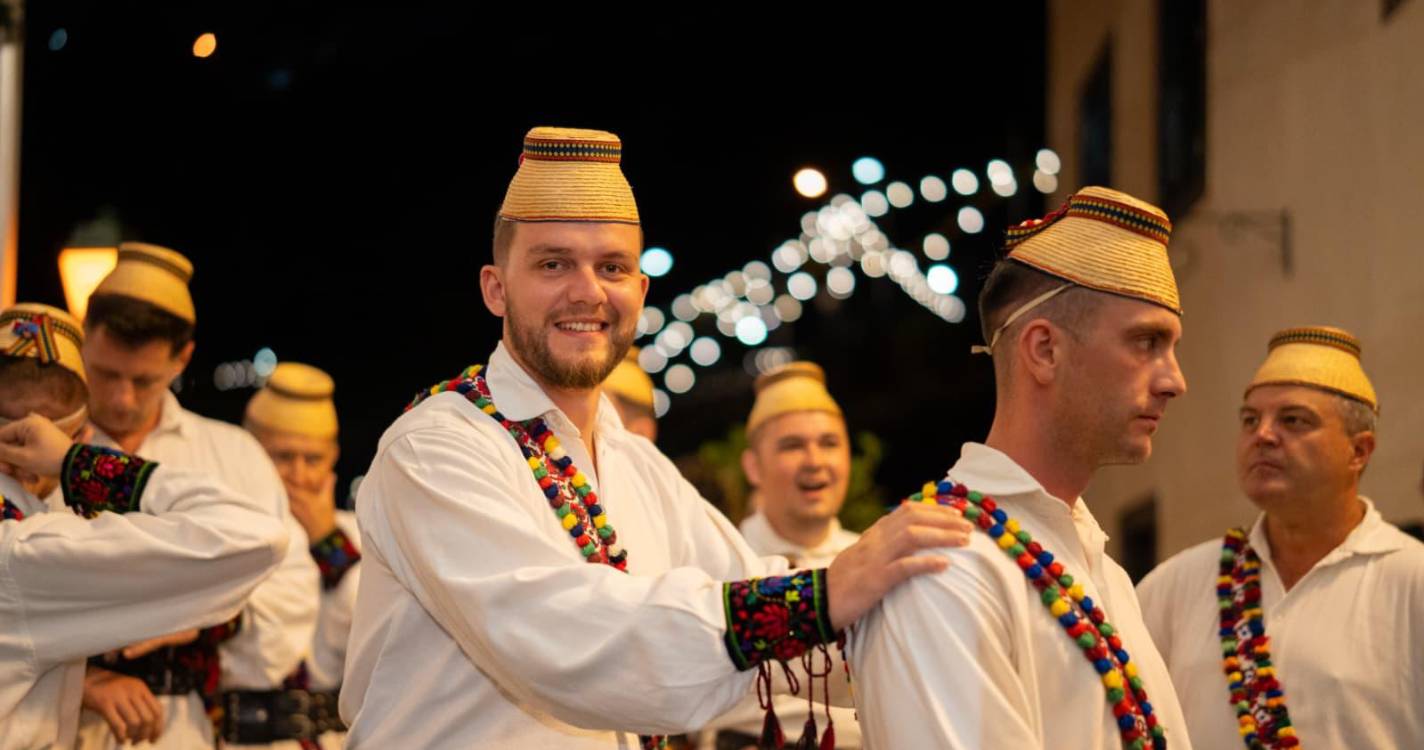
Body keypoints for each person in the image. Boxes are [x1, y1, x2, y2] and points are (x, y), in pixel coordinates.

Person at [339, 126, 972, 749]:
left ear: (639, 293)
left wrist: (957, 624)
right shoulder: (436, 448)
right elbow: (564, 636)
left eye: (611, 266)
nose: (587, 291)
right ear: (496, 288)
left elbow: (751, 589)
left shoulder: (637, 463)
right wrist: (826, 594)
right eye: (553, 263)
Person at [850, 187, 1192, 749]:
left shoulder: (1094, 563)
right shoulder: (943, 565)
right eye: (1146, 342)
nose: (1174, 380)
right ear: (1043, 350)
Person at [0, 302, 287, 750]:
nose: (121, 399)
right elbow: (256, 533)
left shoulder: (30, 537)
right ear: (74, 439)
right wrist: (79, 466)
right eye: (107, 376)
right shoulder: (28, 547)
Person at [74, 243, 319, 749]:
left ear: (182, 358)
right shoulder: (32, 452)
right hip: (59, 722)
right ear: (82, 340)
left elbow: (293, 584)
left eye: (143, 380)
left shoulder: (231, 456)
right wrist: (80, 680)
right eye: (105, 373)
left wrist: (217, 621)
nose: (122, 398)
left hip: (186, 728)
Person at [1137, 326, 1424, 748]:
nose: (1263, 435)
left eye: (1293, 420)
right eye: (1250, 420)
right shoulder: (1177, 585)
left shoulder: (1411, 579)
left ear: (1359, 451)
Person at [701, 361, 862, 749]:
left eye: (829, 443)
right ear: (753, 467)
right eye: (792, 445)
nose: (815, 461)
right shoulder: (717, 562)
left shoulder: (867, 558)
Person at [245, 362, 360, 748]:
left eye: (312, 460)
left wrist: (327, 540)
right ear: (250, 452)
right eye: (282, 457)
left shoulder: (362, 534)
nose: (297, 474)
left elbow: (375, 640)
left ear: (333, 458)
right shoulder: (226, 533)